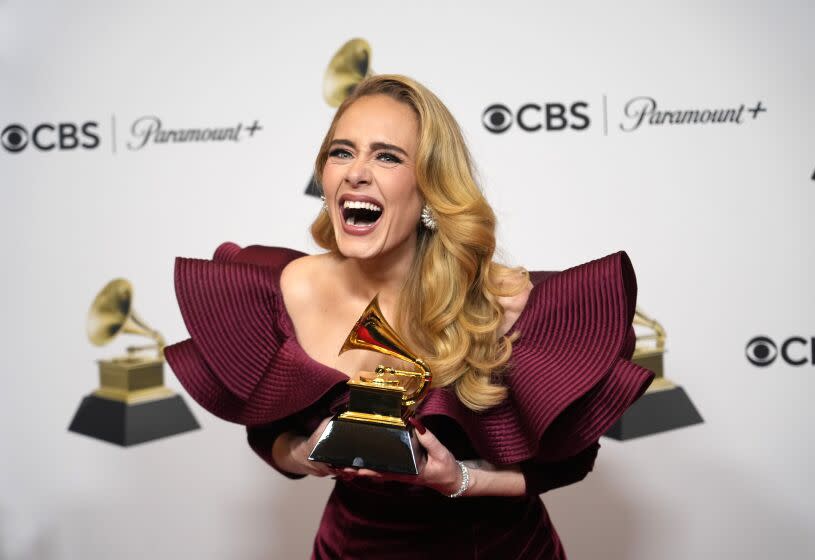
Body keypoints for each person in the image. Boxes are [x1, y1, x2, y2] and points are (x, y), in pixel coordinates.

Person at [165, 74, 654, 559]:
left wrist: (457, 478)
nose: (356, 171)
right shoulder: (285, 289)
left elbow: (568, 462)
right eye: (341, 152)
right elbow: (267, 432)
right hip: (350, 547)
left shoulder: (504, 301)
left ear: (429, 185)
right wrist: (306, 454)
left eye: (387, 156)